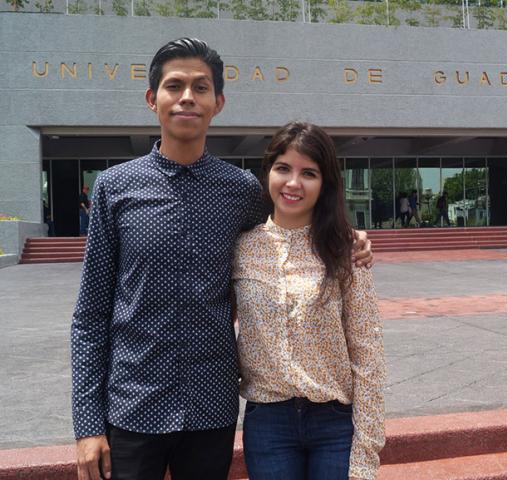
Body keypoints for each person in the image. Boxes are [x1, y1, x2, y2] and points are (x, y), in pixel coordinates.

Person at [70, 39, 373, 480]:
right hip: (133, 403)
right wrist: (87, 425)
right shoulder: (116, 188)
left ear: (219, 103)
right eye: (175, 86)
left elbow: (294, 228)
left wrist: (349, 236)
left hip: (209, 407)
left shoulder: (241, 191)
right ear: (153, 99)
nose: (187, 96)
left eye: (201, 87)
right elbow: (91, 315)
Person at [232, 122, 386, 480]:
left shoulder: (345, 250)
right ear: (268, 172)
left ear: (325, 182)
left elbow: (368, 354)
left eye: (309, 173)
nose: (293, 183)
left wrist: (366, 450)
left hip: (333, 422)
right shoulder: (241, 247)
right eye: (283, 168)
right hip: (268, 420)